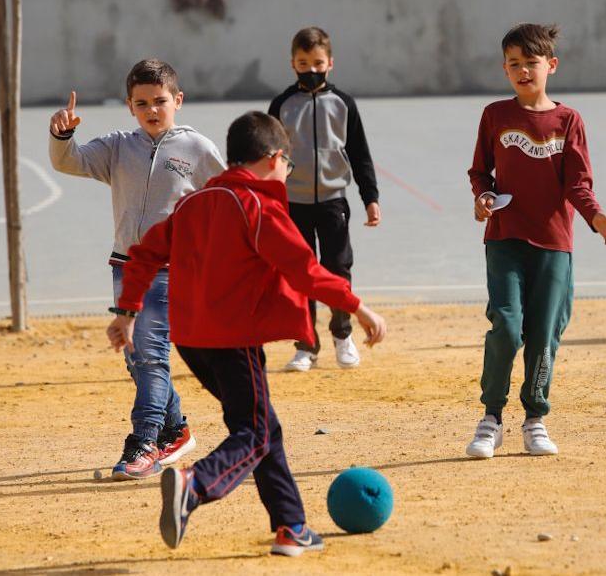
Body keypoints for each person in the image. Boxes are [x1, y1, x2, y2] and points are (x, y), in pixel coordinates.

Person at [107, 111, 388, 556]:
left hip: (192, 339)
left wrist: (126, 310)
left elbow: (142, 255)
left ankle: (291, 526)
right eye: (287, 165)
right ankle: (193, 485)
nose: (286, 174)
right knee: (254, 434)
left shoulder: (192, 202)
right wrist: (358, 307)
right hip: (232, 339)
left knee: (261, 428)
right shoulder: (257, 206)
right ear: (274, 158)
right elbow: (305, 270)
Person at [49, 58, 224, 480]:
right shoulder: (116, 147)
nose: (151, 110)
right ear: (129, 105)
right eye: (142, 102)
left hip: (170, 269)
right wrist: (62, 134)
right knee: (136, 357)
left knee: (150, 355)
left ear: (177, 101)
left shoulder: (197, 148)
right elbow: (68, 161)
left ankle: (144, 440)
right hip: (124, 267)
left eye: (160, 101)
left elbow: (224, 196)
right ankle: (176, 429)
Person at [464, 23, 606, 459]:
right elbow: (481, 172)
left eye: (530, 63)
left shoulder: (567, 120)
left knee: (544, 334)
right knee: (507, 326)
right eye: (513, 64)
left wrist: (596, 216)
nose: (522, 70)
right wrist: (483, 197)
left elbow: (577, 184)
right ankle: (491, 418)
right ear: (504, 69)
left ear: (550, 65)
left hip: (554, 244)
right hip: (505, 238)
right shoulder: (495, 115)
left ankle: (535, 418)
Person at [268, 26, 381, 371]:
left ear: (330, 63)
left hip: (333, 201)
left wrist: (370, 197)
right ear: (293, 63)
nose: (311, 69)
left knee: (337, 269)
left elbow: (359, 153)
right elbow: (269, 155)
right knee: (299, 274)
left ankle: (342, 335)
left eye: (318, 62)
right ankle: (306, 345)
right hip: (293, 204)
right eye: (303, 62)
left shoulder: (343, 104)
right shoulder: (281, 104)